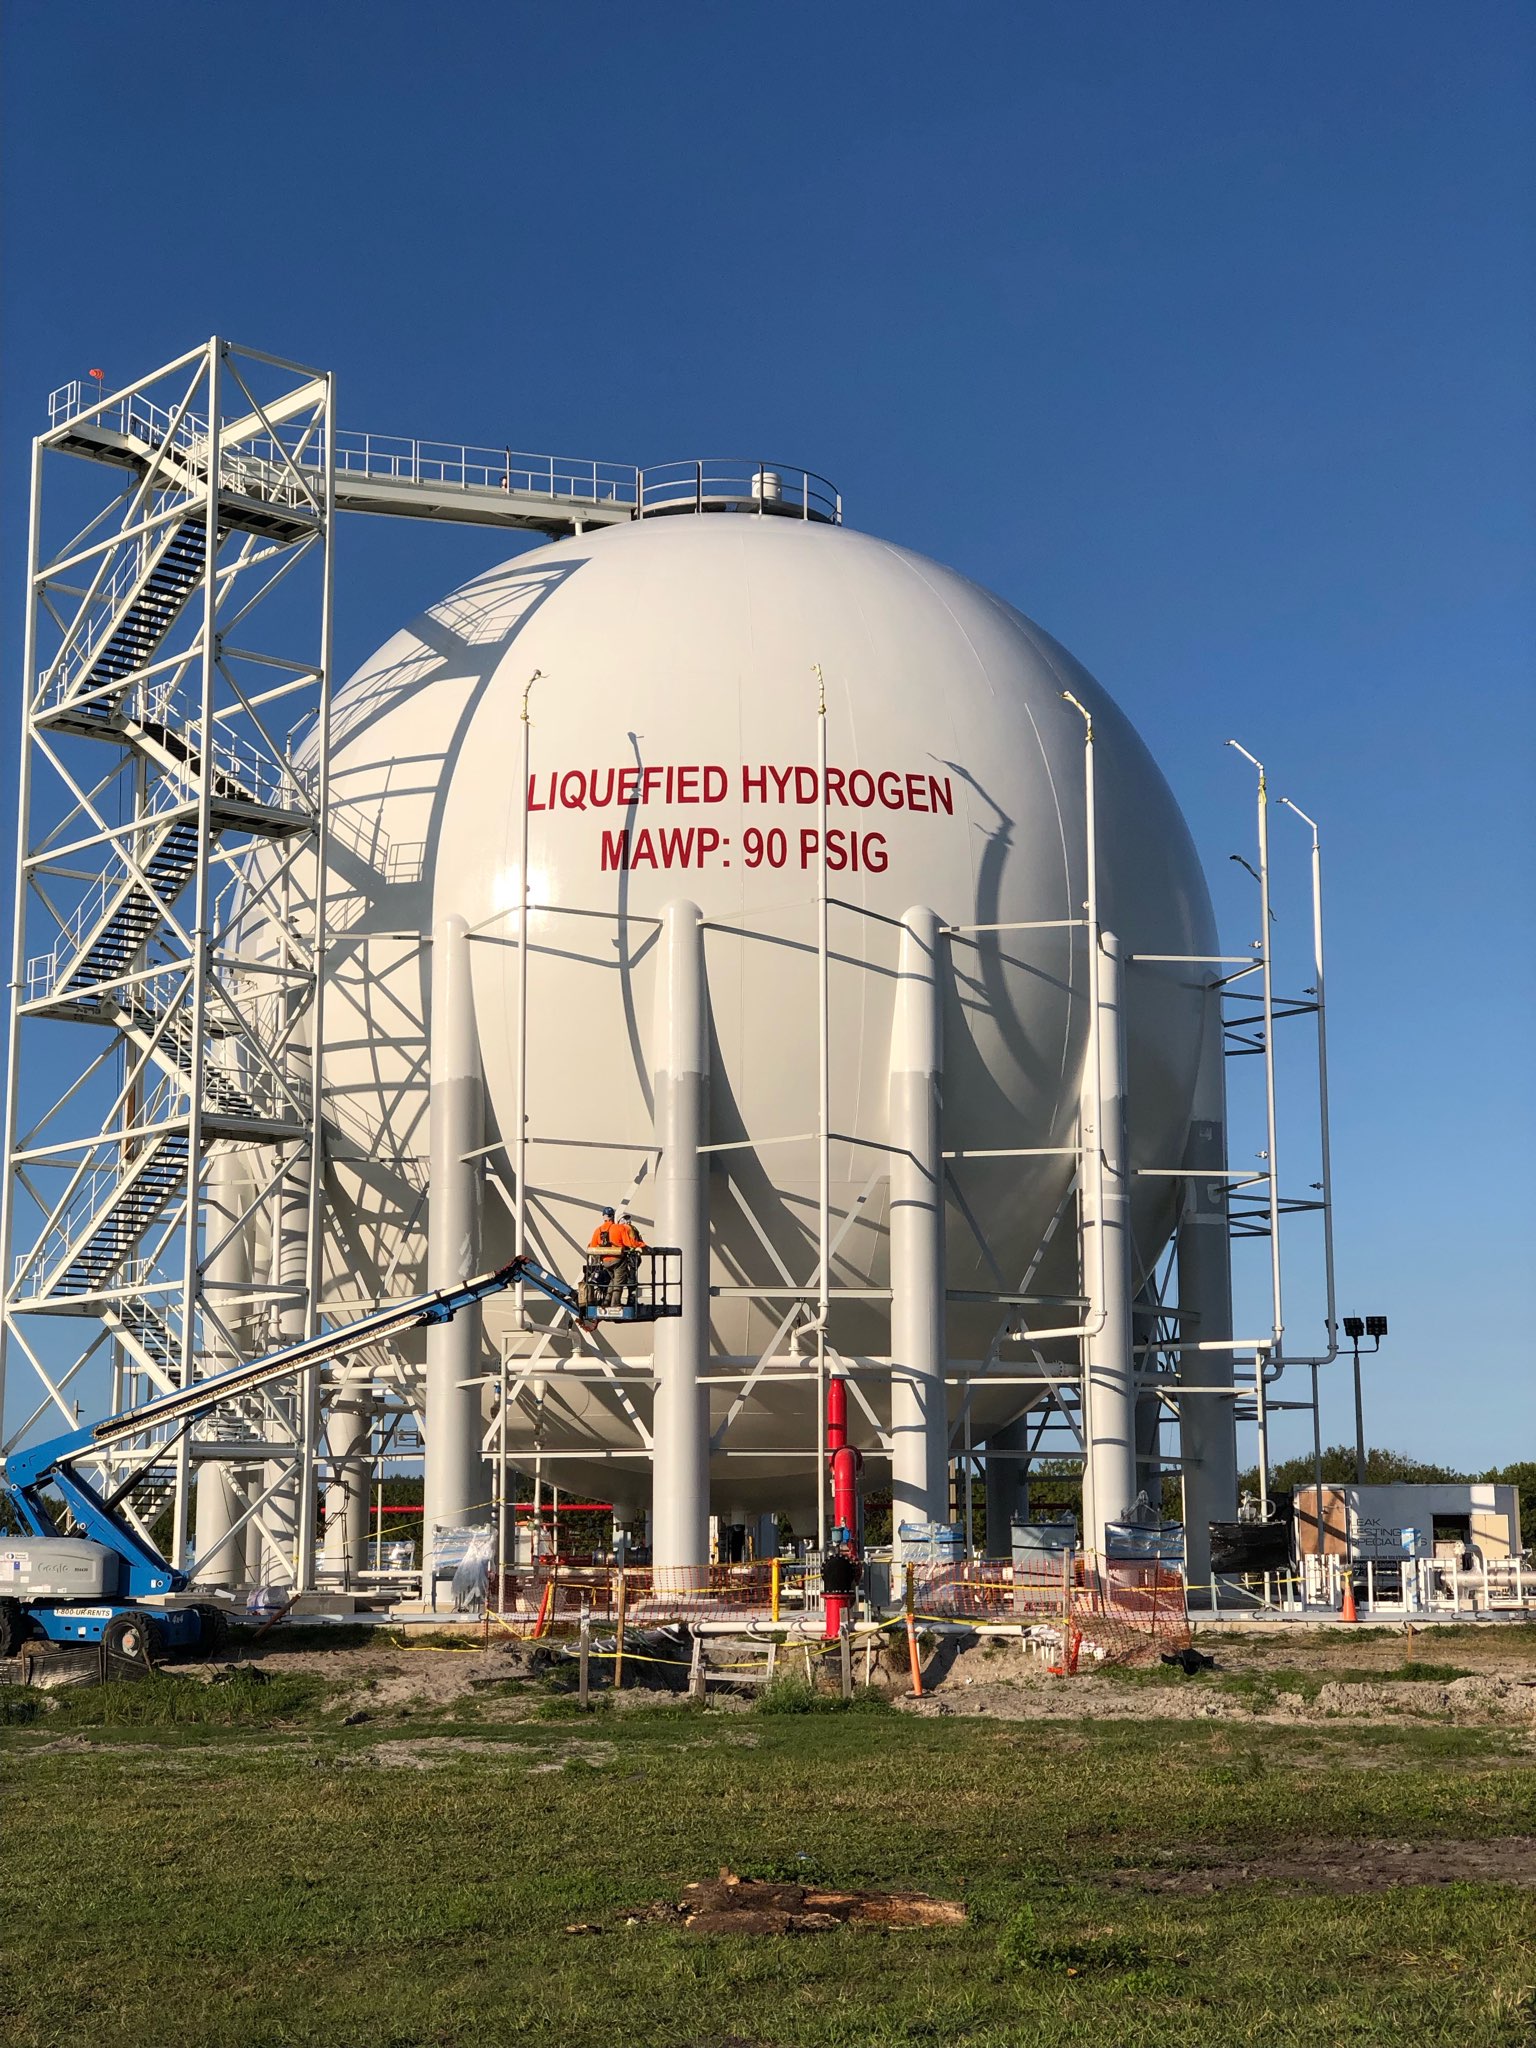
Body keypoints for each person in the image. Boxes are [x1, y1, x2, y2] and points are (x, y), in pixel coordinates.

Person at [587, 1206, 646, 1306]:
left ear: (603, 1217)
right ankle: (615, 1303)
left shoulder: (598, 1230)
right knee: (619, 1281)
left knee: (613, 1280)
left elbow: (592, 1246)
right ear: (613, 1217)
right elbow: (630, 1243)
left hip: (605, 1262)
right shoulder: (619, 1228)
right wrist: (643, 1246)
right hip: (618, 1260)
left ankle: (606, 1302)